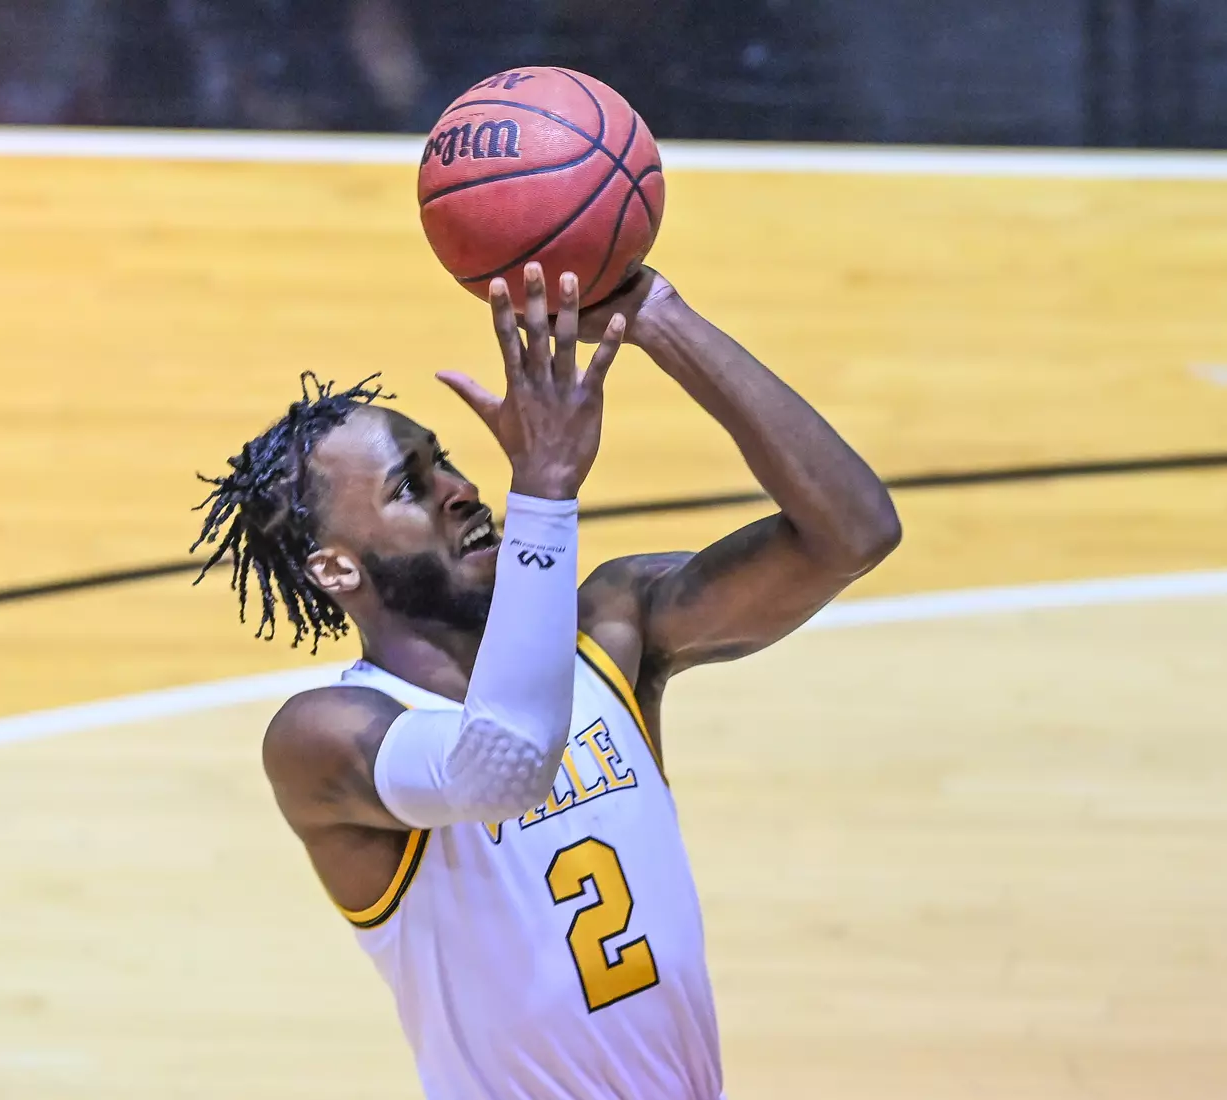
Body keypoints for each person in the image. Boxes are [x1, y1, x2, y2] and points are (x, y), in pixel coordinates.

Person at [191, 262, 900, 1098]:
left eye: (444, 459)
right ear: (338, 570)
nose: (458, 488)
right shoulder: (327, 735)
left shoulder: (611, 627)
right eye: (411, 486)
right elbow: (500, 764)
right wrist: (544, 494)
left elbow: (854, 532)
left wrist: (660, 319)